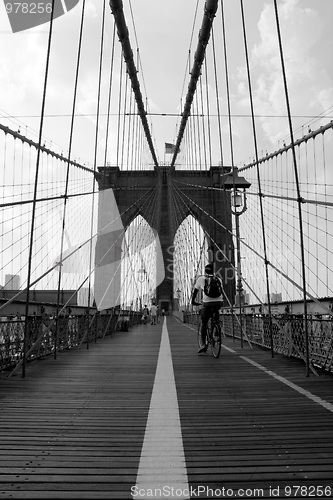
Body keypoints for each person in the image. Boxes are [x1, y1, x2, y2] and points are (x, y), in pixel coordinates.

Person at [191, 263, 224, 353]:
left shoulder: (201, 279)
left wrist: (193, 301)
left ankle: (203, 345)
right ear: (213, 271)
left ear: (205, 271)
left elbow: (195, 291)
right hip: (219, 302)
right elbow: (221, 292)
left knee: (204, 322)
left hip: (207, 303)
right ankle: (217, 332)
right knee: (216, 311)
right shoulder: (218, 279)